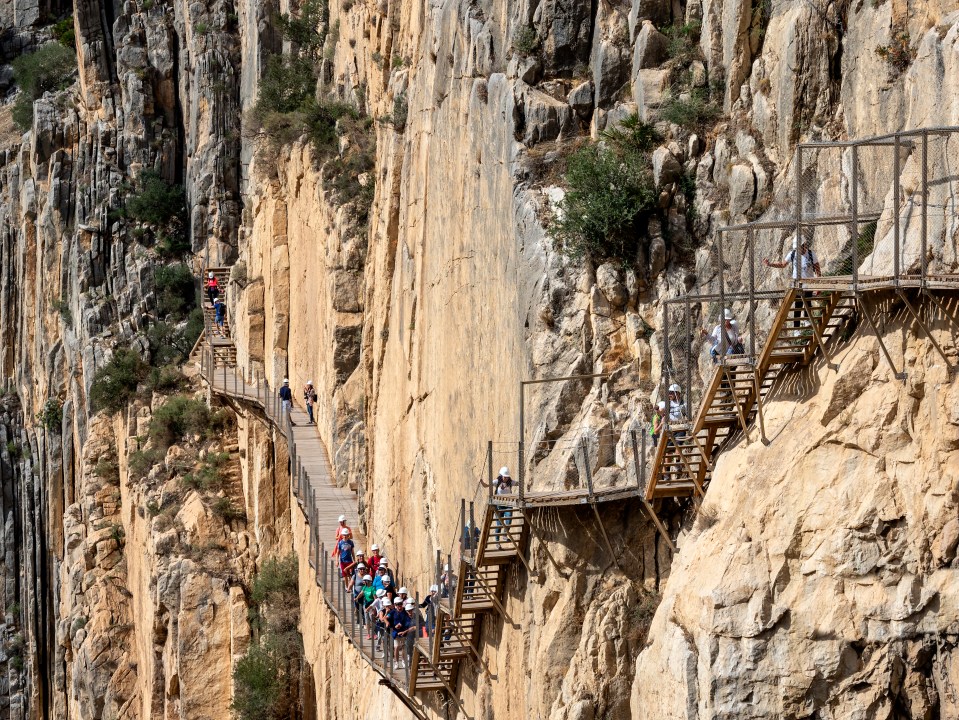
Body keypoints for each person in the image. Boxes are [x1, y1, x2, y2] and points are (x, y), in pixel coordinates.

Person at [764, 236, 821, 329]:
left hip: (809, 282)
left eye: (799, 248)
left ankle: (807, 320)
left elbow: (818, 269)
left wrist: (818, 286)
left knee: (808, 302)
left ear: (804, 245)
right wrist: (770, 264)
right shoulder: (793, 254)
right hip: (797, 284)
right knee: (798, 305)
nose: (798, 250)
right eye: (796, 248)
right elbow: (783, 264)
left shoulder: (811, 254)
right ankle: (796, 329)